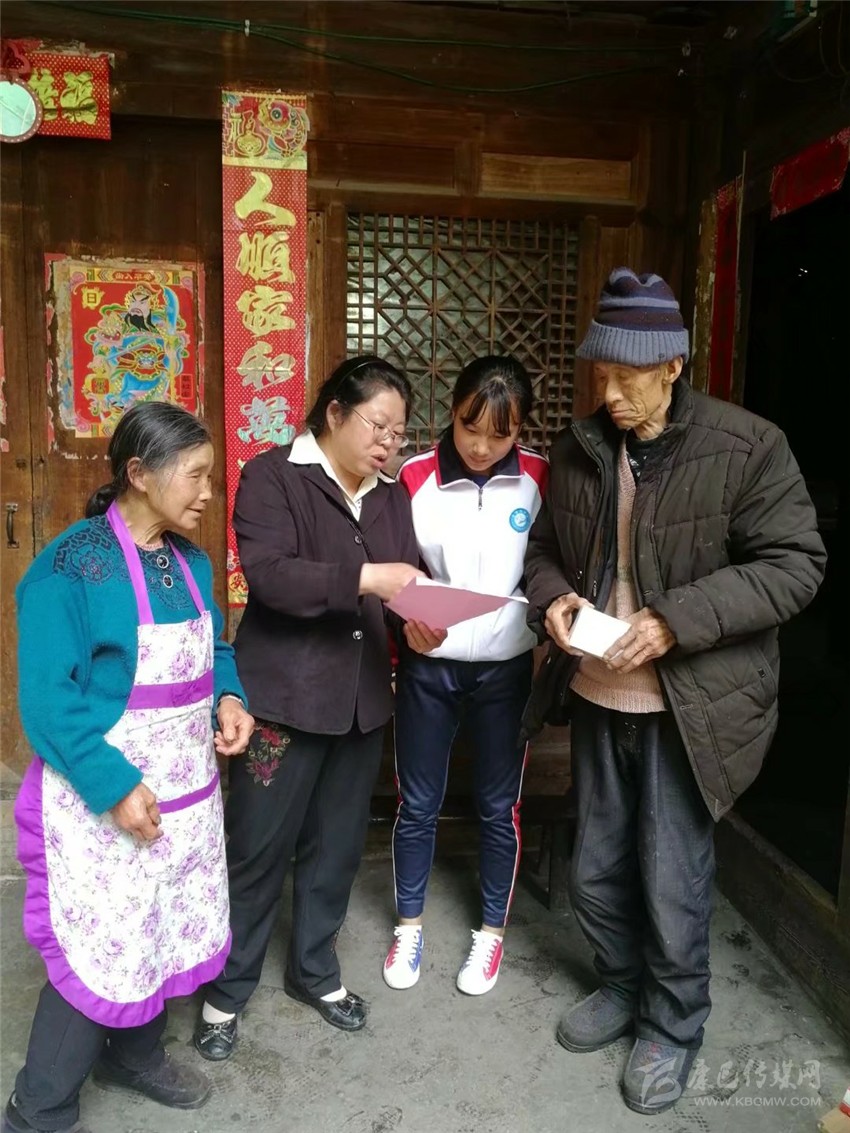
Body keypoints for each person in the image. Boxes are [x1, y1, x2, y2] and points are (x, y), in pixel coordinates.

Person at [522, 268, 826, 1115]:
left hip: (689, 705)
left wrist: (673, 620)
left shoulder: (747, 447)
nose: (609, 394)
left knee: (671, 875)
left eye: (629, 377)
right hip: (598, 691)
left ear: (675, 366)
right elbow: (542, 550)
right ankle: (622, 983)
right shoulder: (582, 449)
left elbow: (796, 565)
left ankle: (671, 1023)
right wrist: (555, 597)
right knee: (596, 865)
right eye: (601, 375)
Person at [5, 401, 254, 1133]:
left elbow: (215, 649)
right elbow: (48, 700)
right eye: (196, 474)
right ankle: (38, 1109)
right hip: (101, 794)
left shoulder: (190, 562)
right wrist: (113, 787)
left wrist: (229, 697)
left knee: (160, 923)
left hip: (184, 796)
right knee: (103, 943)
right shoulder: (70, 568)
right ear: (139, 474)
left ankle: (134, 1056)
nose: (208, 491)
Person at [193, 356, 422, 1060]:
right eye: (378, 425)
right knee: (256, 848)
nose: (388, 443)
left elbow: (402, 581)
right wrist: (367, 578)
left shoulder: (390, 496)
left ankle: (314, 971)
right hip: (281, 705)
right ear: (335, 413)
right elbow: (271, 578)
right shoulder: (273, 477)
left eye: (399, 433)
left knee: (335, 849)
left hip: (359, 705)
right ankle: (227, 989)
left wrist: (417, 620)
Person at [382, 355, 548, 996]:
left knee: (499, 806)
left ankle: (491, 934)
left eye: (500, 435)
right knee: (418, 803)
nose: (480, 447)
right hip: (430, 667)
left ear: (520, 429)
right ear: (450, 411)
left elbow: (552, 565)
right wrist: (405, 624)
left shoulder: (540, 478)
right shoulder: (414, 476)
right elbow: (392, 569)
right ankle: (409, 925)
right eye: (469, 427)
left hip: (506, 670)